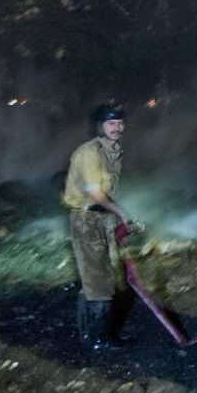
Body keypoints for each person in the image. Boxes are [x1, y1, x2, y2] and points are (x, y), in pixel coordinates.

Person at [64, 103, 133, 350]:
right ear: (99, 126)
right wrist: (122, 213)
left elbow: (109, 190)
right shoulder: (89, 153)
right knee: (98, 281)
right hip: (87, 219)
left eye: (120, 123)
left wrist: (114, 217)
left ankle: (92, 334)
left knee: (100, 277)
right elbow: (95, 193)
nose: (118, 128)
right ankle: (98, 340)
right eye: (111, 123)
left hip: (101, 219)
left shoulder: (112, 150)